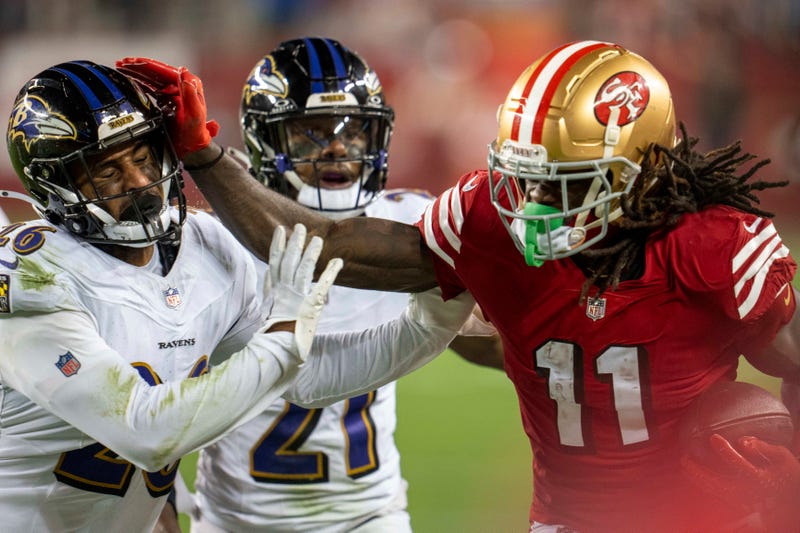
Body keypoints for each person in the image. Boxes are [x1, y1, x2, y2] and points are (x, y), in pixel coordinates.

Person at [118, 40, 800, 532]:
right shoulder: (487, 221)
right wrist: (205, 151)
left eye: (561, 185)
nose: (531, 206)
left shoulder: (717, 248)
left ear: (641, 172)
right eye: (523, 177)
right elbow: (322, 246)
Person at [0, 59, 479, 533]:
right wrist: (281, 341)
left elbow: (307, 375)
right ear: (55, 186)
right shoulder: (30, 277)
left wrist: (430, 321)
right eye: (106, 171)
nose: (140, 183)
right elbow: (145, 431)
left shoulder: (201, 245)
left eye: (143, 157)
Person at [175, 37, 502, 533]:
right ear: (267, 140)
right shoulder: (215, 245)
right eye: (311, 131)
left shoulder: (407, 221)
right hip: (237, 521)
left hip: (370, 517)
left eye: (354, 131)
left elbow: (483, 341)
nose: (336, 147)